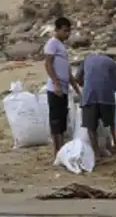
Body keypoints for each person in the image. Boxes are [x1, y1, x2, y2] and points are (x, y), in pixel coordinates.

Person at [44, 17, 82, 157]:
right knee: (56, 120)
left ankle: (62, 150)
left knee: (62, 120)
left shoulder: (61, 46)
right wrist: (56, 83)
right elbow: (48, 64)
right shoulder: (52, 43)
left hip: (64, 88)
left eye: (69, 31)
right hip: (56, 89)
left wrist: (77, 90)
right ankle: (57, 151)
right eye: (65, 31)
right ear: (57, 30)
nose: (68, 34)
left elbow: (67, 70)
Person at [75, 53, 116, 158]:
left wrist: (85, 85)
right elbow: (115, 86)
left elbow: (77, 78)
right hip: (106, 97)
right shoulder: (112, 63)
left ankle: (96, 153)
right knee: (113, 124)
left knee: (91, 127)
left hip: (89, 97)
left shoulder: (86, 59)